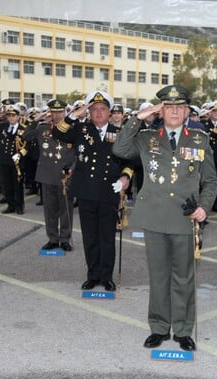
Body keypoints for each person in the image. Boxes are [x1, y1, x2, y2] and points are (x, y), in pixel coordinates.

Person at [113, 84, 217, 351]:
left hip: (185, 218)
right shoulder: (147, 137)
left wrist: (204, 208)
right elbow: (120, 149)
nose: (174, 111)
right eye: (168, 107)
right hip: (155, 218)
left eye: (179, 107)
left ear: (186, 112)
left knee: (183, 277)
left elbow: (211, 181)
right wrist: (138, 118)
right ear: (161, 110)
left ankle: (183, 330)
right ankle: (159, 327)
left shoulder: (199, 140)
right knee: (159, 276)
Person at [55, 91, 133, 292]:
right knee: (90, 237)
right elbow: (58, 133)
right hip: (86, 191)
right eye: (94, 110)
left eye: (103, 109)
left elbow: (130, 160)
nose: (98, 113)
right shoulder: (80, 130)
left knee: (107, 237)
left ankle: (106, 277)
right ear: (88, 112)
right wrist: (74, 114)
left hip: (108, 191)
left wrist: (125, 177)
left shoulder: (119, 133)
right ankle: (93, 275)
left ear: (110, 112)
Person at [23, 99, 76, 251]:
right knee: (50, 210)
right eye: (54, 112)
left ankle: (65, 239)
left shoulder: (73, 128)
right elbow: (25, 137)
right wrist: (35, 120)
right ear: (50, 112)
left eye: (60, 112)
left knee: (66, 209)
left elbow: (78, 153)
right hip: (47, 174)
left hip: (65, 175)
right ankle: (53, 238)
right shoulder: (43, 128)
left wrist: (72, 168)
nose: (57, 115)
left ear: (65, 112)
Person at [0, 104, 28, 214]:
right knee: (7, 184)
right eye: (9, 115)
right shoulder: (3, 126)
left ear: (18, 116)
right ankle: (10, 205)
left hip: (17, 161)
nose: (11, 118)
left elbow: (28, 146)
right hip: (4, 160)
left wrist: (20, 154)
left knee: (17, 185)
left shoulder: (23, 129)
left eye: (13, 115)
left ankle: (19, 206)